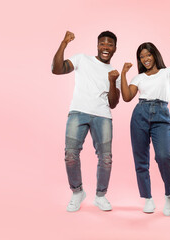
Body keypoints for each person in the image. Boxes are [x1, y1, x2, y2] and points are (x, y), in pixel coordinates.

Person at [120, 32, 170, 216]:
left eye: (148, 55)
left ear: (155, 55)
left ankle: (169, 196)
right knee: (141, 160)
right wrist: (124, 74)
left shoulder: (167, 73)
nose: (145, 59)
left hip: (161, 115)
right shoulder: (139, 78)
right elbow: (127, 97)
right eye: (141, 57)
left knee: (163, 156)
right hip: (139, 114)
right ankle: (148, 199)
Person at [52, 30, 121, 212]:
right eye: (102, 44)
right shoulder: (82, 59)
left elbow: (113, 103)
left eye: (110, 45)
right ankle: (77, 192)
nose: (105, 47)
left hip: (103, 115)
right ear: (97, 45)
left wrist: (113, 82)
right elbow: (56, 69)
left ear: (115, 48)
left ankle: (100, 196)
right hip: (78, 111)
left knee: (105, 158)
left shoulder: (115, 73)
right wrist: (64, 43)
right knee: (70, 154)